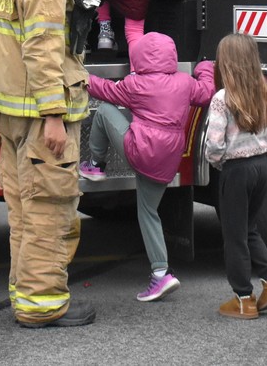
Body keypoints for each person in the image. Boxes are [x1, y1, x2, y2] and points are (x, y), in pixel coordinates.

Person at [0, 0, 94, 328]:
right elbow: (43, 47)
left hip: (14, 112)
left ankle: (25, 297)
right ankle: (43, 305)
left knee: (25, 214)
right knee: (49, 212)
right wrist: (54, 115)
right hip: (39, 116)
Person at [79, 32, 215, 301]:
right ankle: (160, 273)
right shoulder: (185, 83)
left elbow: (104, 90)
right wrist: (205, 67)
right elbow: (207, 92)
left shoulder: (136, 85)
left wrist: (80, 76)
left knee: (106, 111)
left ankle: (96, 163)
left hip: (141, 152)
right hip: (168, 159)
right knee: (148, 212)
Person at [204, 32, 267, 320]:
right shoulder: (263, 92)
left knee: (234, 236)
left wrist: (217, 164)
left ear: (224, 63)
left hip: (237, 171)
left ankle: (243, 297)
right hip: (261, 166)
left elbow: (214, 143)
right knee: (249, 228)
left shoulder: (222, 99)